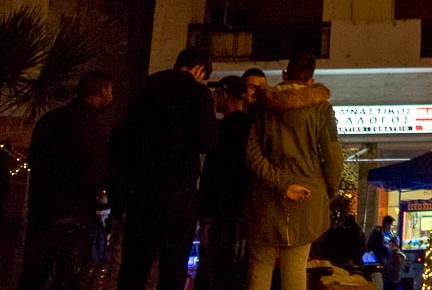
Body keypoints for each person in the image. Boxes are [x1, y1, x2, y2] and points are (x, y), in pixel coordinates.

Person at [114, 46, 218, 290]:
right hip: (178, 192)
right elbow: (208, 142)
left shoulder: (145, 88)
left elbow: (125, 138)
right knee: (173, 265)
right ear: (199, 69)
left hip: (141, 189)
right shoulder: (197, 93)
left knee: (135, 264)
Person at [244, 54, 343, 290]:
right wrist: (329, 191)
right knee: (296, 266)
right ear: (310, 81)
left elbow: (252, 153)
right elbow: (332, 156)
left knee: (260, 263)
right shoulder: (322, 109)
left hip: (265, 196)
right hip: (308, 194)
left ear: (284, 75)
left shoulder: (263, 107)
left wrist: (281, 183)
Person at [18, 70, 114, 290]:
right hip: (74, 217)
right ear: (99, 91)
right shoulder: (92, 128)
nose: (111, 98)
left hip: (42, 211)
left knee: (32, 275)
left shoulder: (49, 120)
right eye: (109, 91)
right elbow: (95, 173)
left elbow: (34, 160)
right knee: (69, 278)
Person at [197, 75, 254, 290]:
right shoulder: (250, 129)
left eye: (216, 94)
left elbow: (216, 174)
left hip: (223, 214)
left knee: (217, 273)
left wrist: (208, 216)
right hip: (240, 211)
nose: (214, 99)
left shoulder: (224, 130)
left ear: (226, 95)